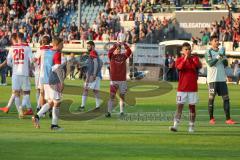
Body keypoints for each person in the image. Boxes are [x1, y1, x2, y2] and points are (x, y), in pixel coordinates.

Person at [32, 37, 64, 130]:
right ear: (57, 45)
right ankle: (54, 125)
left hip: (45, 80)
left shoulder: (46, 52)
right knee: (57, 102)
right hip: (53, 80)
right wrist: (62, 82)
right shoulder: (57, 53)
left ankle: (37, 116)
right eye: (62, 44)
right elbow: (57, 69)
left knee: (50, 102)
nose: (63, 46)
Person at [169, 42, 201, 133]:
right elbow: (179, 68)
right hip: (182, 88)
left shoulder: (195, 58)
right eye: (186, 49)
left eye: (189, 49)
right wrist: (185, 58)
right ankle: (175, 125)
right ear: (182, 51)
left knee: (192, 108)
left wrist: (193, 59)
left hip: (192, 88)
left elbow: (199, 66)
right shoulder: (179, 60)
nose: (188, 51)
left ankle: (191, 126)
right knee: (179, 107)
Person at [205, 35, 236, 125]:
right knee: (211, 98)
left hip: (222, 79)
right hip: (212, 80)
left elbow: (226, 64)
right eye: (215, 40)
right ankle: (211, 118)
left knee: (226, 98)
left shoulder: (221, 51)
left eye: (217, 40)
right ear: (211, 42)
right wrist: (219, 56)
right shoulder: (208, 52)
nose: (217, 42)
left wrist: (223, 56)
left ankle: (228, 119)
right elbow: (210, 63)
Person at [3, 33, 33, 118]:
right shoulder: (27, 47)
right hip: (24, 73)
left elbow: (8, 62)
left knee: (16, 93)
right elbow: (31, 60)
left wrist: (14, 66)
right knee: (27, 93)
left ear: (16, 38)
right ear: (23, 37)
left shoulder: (12, 48)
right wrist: (30, 69)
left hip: (15, 73)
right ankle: (21, 107)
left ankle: (20, 112)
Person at [105, 42, 132, 117]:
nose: (118, 50)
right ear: (115, 50)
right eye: (117, 49)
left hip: (122, 80)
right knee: (112, 96)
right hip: (114, 80)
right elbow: (109, 51)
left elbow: (129, 51)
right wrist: (115, 46)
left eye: (119, 49)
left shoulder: (124, 56)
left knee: (122, 96)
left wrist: (125, 44)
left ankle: (121, 112)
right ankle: (109, 112)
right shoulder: (111, 56)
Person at [78, 41, 102, 111]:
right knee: (95, 91)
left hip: (92, 75)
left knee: (85, 89)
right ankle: (98, 107)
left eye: (89, 46)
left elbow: (96, 63)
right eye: (87, 46)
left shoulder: (93, 52)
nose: (87, 47)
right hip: (97, 75)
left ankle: (82, 106)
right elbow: (100, 63)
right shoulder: (95, 53)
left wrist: (94, 73)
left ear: (93, 46)